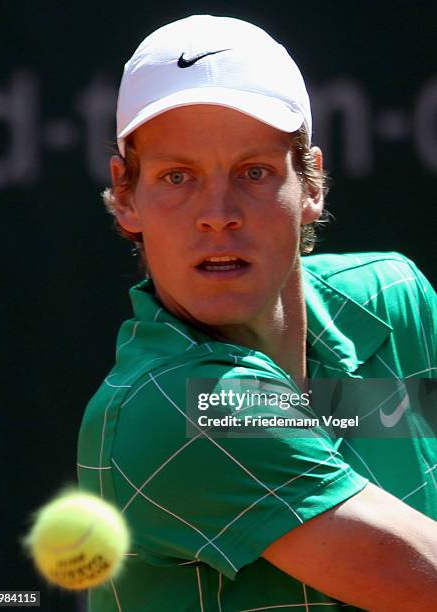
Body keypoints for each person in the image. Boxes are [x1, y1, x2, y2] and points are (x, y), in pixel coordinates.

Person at [77, 14, 437, 611]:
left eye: (254, 172)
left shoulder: (393, 302)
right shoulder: (179, 404)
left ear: (312, 185)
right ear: (126, 196)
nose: (218, 214)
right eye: (177, 177)